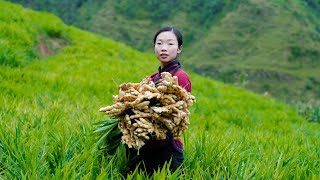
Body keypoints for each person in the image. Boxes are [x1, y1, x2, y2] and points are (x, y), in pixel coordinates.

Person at [124, 26, 192, 176]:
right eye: (159, 43)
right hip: (145, 147)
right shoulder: (152, 77)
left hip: (167, 150)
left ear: (179, 48)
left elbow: (174, 116)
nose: (164, 48)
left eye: (170, 44)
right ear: (154, 47)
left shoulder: (180, 77)